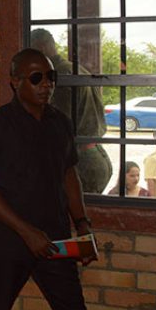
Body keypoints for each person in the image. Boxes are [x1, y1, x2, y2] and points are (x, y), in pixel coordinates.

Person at [0, 48, 115, 310]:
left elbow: (69, 176)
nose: (46, 84)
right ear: (15, 81)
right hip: (5, 243)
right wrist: (25, 232)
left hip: (54, 242)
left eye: (50, 77)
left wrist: (82, 225)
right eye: (36, 77)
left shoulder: (60, 123)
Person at [31, 28, 112, 194]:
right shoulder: (76, 69)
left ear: (41, 48)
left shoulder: (57, 76)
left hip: (79, 160)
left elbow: (59, 124)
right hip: (95, 153)